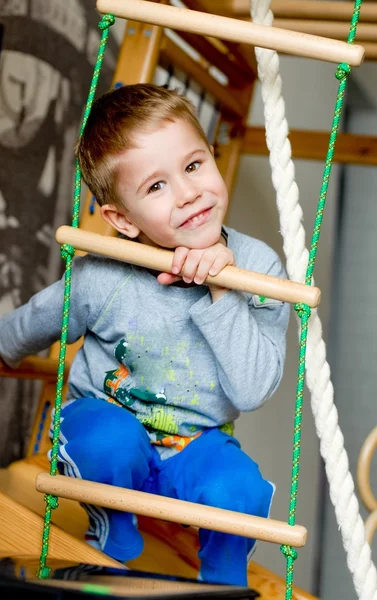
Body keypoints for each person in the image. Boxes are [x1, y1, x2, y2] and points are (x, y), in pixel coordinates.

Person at [0, 83, 290, 587]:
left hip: (196, 442)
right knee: (104, 438)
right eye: (156, 186)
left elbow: (252, 389)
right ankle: (112, 523)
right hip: (108, 428)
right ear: (123, 220)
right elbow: (30, 322)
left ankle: (223, 578)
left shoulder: (259, 267)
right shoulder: (104, 275)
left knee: (238, 488)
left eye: (194, 165)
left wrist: (224, 289)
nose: (188, 192)